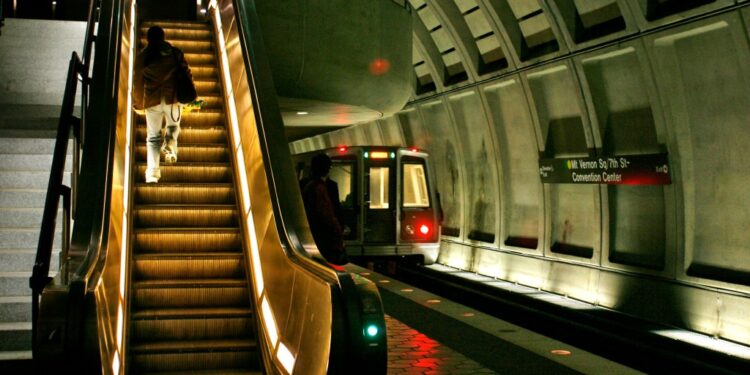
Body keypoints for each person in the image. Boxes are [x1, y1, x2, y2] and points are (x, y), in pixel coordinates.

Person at [133, 25, 192, 183]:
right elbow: (186, 72)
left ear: (148, 39)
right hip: (173, 98)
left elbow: (137, 82)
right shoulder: (175, 52)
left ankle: (152, 173)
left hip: (152, 100)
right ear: (163, 37)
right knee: (173, 126)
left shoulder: (143, 56)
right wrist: (190, 95)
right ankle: (170, 144)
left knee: (152, 137)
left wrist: (138, 103)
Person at [302, 153, 348, 265]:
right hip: (325, 239)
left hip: (311, 234)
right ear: (326, 169)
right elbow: (327, 213)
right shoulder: (320, 188)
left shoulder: (306, 185)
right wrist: (339, 230)